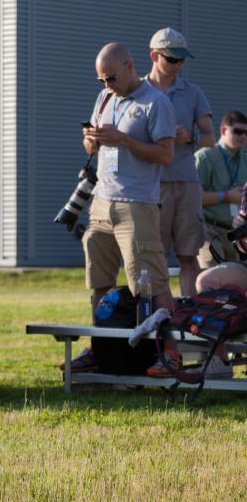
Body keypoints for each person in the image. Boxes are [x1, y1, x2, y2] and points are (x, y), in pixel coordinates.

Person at [80, 42, 177, 378]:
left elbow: (165, 155)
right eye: (101, 80)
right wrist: (91, 139)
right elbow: (92, 141)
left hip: (137, 204)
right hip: (102, 202)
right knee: (98, 281)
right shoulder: (105, 98)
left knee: (149, 282)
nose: (107, 84)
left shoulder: (156, 102)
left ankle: (170, 353)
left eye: (110, 77)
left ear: (129, 65)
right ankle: (99, 351)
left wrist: (122, 139)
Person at [145, 27, 214, 295]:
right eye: (172, 59)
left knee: (189, 256)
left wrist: (191, 137)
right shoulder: (138, 91)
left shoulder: (193, 92)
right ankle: (157, 318)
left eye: (182, 59)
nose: (178, 65)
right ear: (154, 56)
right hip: (152, 185)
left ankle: (190, 321)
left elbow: (211, 137)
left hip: (187, 182)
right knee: (155, 256)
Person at [195, 111, 247, 268]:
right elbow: (193, 197)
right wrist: (227, 196)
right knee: (211, 284)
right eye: (237, 131)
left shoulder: (244, 160)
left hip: (236, 234)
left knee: (234, 288)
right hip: (209, 230)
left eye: (246, 132)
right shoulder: (205, 156)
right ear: (223, 131)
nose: (243, 136)